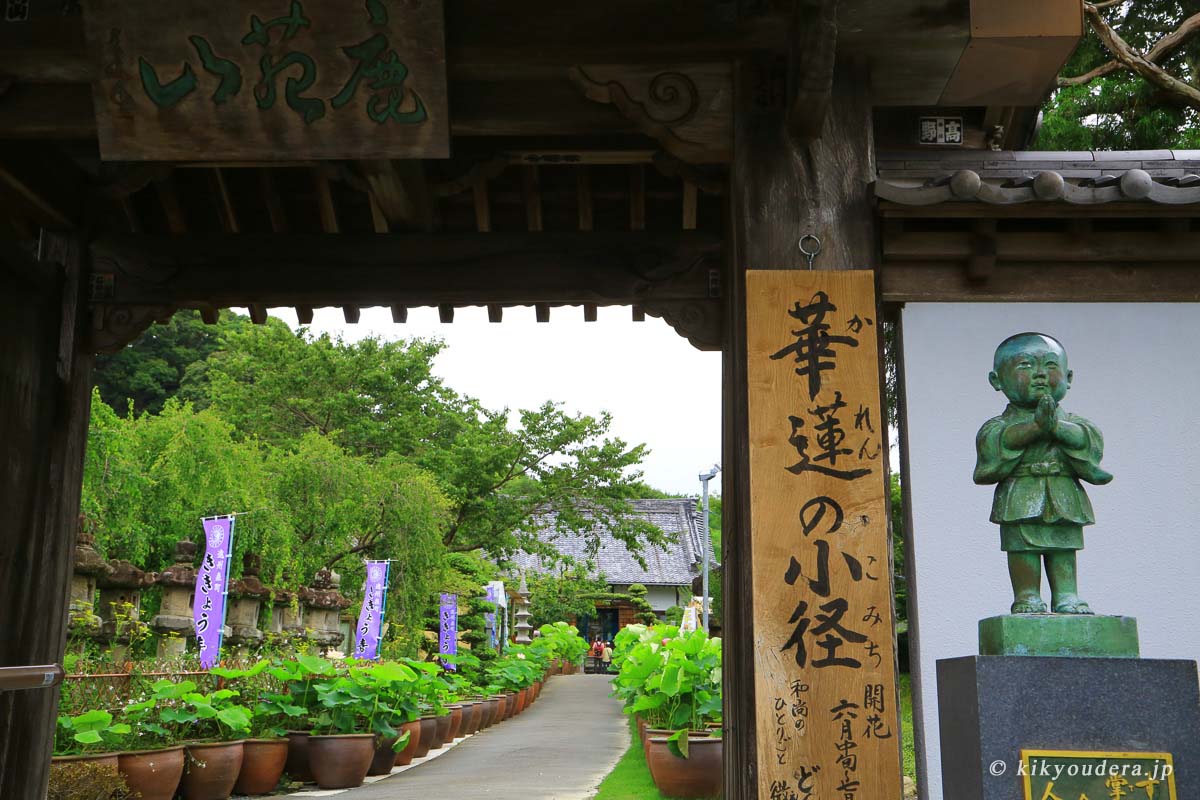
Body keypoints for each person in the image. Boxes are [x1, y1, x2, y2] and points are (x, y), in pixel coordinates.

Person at [974, 332, 1112, 615]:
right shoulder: (997, 425)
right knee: (1023, 548)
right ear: (996, 380)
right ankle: (1026, 596)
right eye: (1025, 365)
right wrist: (1035, 428)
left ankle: (1067, 596)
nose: (1039, 375)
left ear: (1068, 377)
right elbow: (1000, 441)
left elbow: (1087, 440)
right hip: (1020, 492)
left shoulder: (1073, 423)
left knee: (1063, 545)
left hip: (1062, 490)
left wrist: (1055, 427)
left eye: (1050, 365)